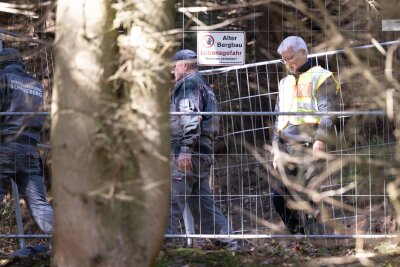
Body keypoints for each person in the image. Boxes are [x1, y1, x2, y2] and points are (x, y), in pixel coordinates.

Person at [167, 49, 238, 250]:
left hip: (188, 154)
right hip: (203, 153)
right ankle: (228, 245)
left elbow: (191, 117)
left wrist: (185, 149)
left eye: (173, 67)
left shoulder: (189, 84)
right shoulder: (205, 86)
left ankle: (162, 250)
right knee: (204, 206)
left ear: (184, 64)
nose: (172, 72)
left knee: (170, 202)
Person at [272, 36, 339, 234]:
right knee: (279, 197)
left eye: (290, 57)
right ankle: (299, 237)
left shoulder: (321, 76)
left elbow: (328, 112)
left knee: (313, 198)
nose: (287, 63)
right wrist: (276, 148)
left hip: (309, 146)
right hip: (286, 147)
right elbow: (279, 118)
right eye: (283, 59)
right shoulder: (284, 83)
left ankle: (322, 244)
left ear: (304, 53)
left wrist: (320, 140)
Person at [0, 48, 53, 235]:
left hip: (5, 147)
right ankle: (64, 246)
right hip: (30, 150)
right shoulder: (36, 86)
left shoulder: (3, 78)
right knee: (40, 205)